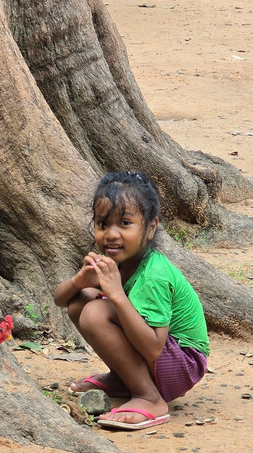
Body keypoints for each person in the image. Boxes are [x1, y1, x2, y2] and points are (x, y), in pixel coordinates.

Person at [53, 172, 209, 431]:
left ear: (150, 228)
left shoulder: (154, 275)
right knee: (81, 300)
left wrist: (115, 294)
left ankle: (150, 398)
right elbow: (62, 300)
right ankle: (124, 379)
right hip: (163, 358)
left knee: (95, 312)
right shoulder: (119, 262)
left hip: (184, 362)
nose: (112, 234)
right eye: (103, 224)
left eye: (125, 223)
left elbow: (153, 349)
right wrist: (79, 281)